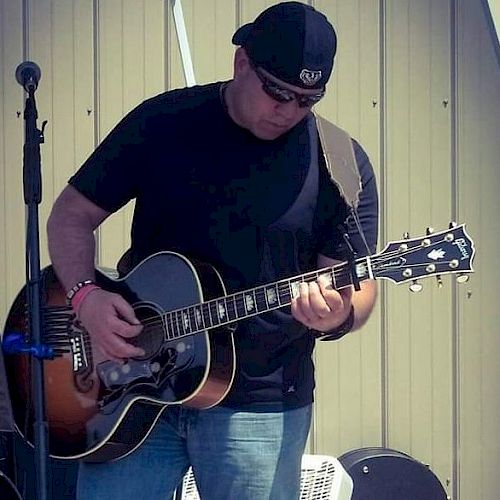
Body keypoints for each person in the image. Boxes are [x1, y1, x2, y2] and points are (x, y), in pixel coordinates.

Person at [47, 2, 378, 499]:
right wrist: (85, 298)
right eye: (277, 91)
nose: (288, 111)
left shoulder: (342, 163)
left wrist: (337, 314)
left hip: (260, 404)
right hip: (132, 390)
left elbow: (356, 285)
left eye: (307, 100)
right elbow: (70, 215)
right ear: (241, 62)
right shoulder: (163, 123)